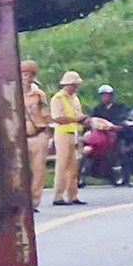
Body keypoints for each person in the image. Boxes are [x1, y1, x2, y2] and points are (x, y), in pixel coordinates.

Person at [50, 70, 87, 206]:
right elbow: (57, 117)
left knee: (73, 166)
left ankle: (73, 195)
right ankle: (58, 196)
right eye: (74, 85)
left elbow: (79, 114)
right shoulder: (58, 98)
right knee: (62, 164)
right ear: (67, 84)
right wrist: (76, 119)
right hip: (63, 133)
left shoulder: (75, 98)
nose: (75, 87)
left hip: (75, 133)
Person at [21, 60, 53, 209]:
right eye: (23, 74)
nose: (26, 78)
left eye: (29, 75)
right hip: (20, 136)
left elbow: (46, 114)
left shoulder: (38, 95)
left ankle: (34, 200)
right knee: (21, 169)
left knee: (38, 169)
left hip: (38, 134)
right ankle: (22, 198)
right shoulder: (13, 93)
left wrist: (47, 132)